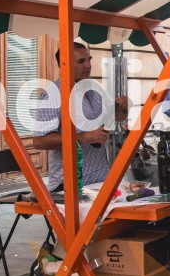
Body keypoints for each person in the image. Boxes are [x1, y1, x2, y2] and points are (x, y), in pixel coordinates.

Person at [34, 42, 128, 192]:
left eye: (89, 59)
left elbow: (117, 117)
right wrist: (83, 137)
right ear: (65, 65)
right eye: (81, 61)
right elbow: (40, 141)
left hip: (100, 178)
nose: (88, 65)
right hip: (69, 184)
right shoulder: (52, 94)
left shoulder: (94, 87)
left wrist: (123, 107)